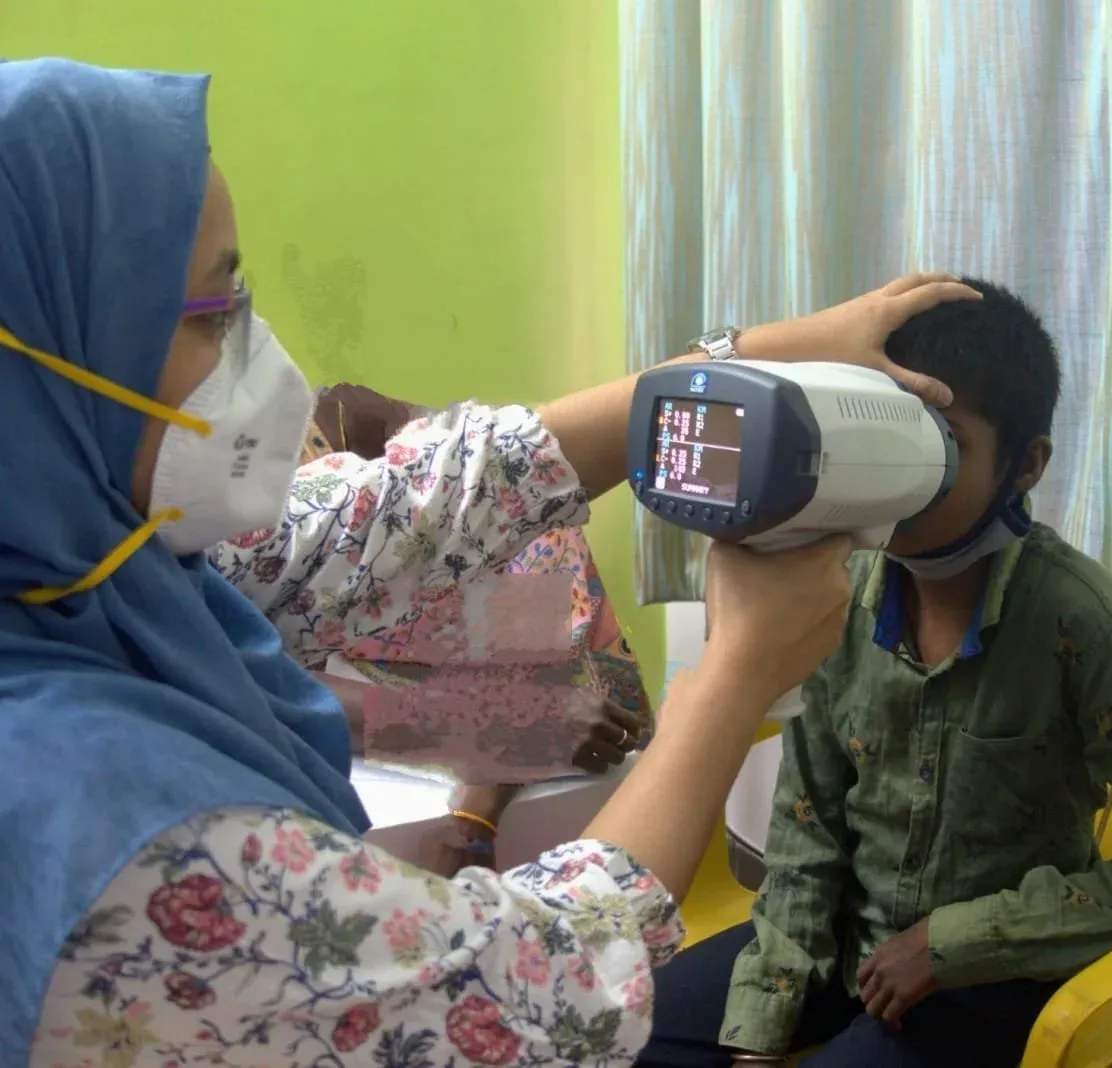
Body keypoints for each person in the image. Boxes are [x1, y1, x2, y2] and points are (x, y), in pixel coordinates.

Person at [0, 59, 983, 1068]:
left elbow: (406, 512)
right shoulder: (114, 831)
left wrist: (755, 353)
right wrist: (732, 677)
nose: (264, 356)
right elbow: (534, 1000)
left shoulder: (91, 564)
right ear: (51, 351)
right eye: (214, 310)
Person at [638, 280, 1112, 1068]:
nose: (899, 471)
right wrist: (764, 1017)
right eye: (888, 425)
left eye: (940, 443)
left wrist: (954, 942)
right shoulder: (836, 596)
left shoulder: (1078, 621)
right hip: (845, 939)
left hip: (990, 974)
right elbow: (808, 820)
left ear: (1025, 465)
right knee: (618, 1032)